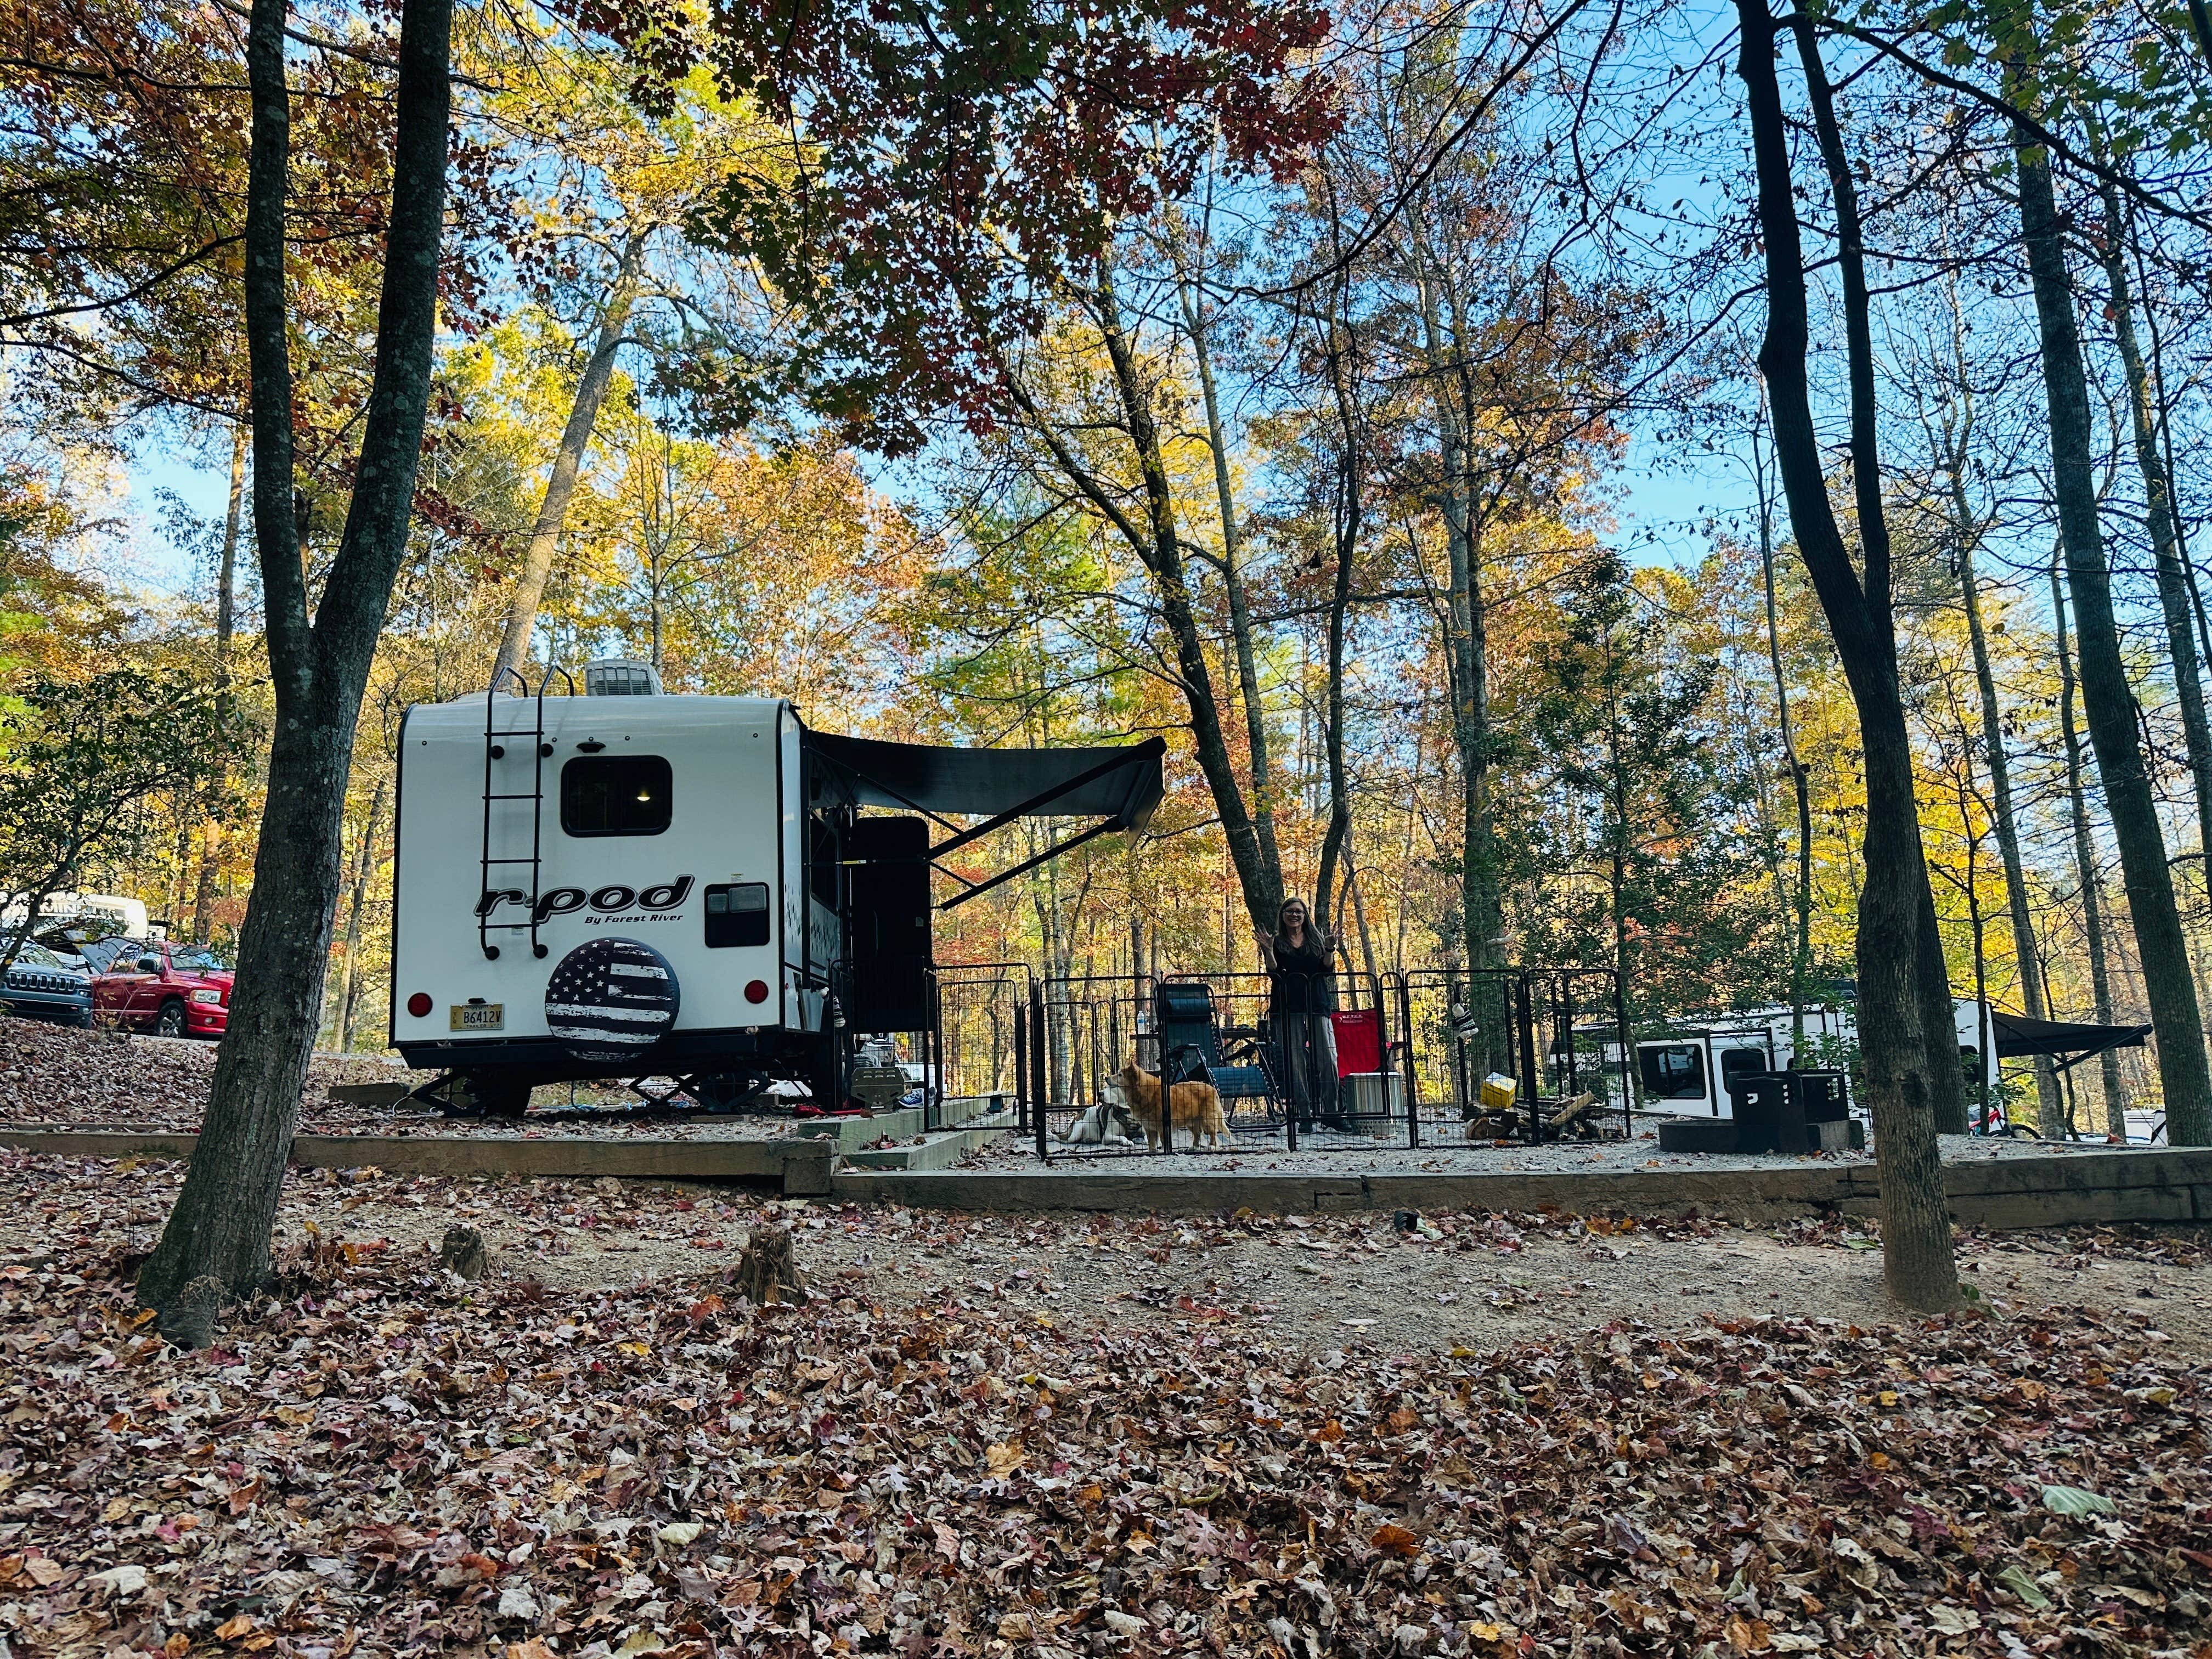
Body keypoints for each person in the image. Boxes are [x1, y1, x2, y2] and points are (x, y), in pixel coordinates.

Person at [1256, 898, 1343, 1128]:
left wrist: (1329, 947)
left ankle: (1331, 1113)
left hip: (1316, 1004)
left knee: (1328, 1059)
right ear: (1283, 915)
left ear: (1305, 916)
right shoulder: (1276, 942)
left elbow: (1326, 970)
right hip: (1287, 1008)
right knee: (1295, 1062)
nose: (1294, 915)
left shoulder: (1316, 939)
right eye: (1290, 911)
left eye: (1299, 912)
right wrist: (1268, 950)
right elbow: (1274, 973)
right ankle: (1304, 1115)